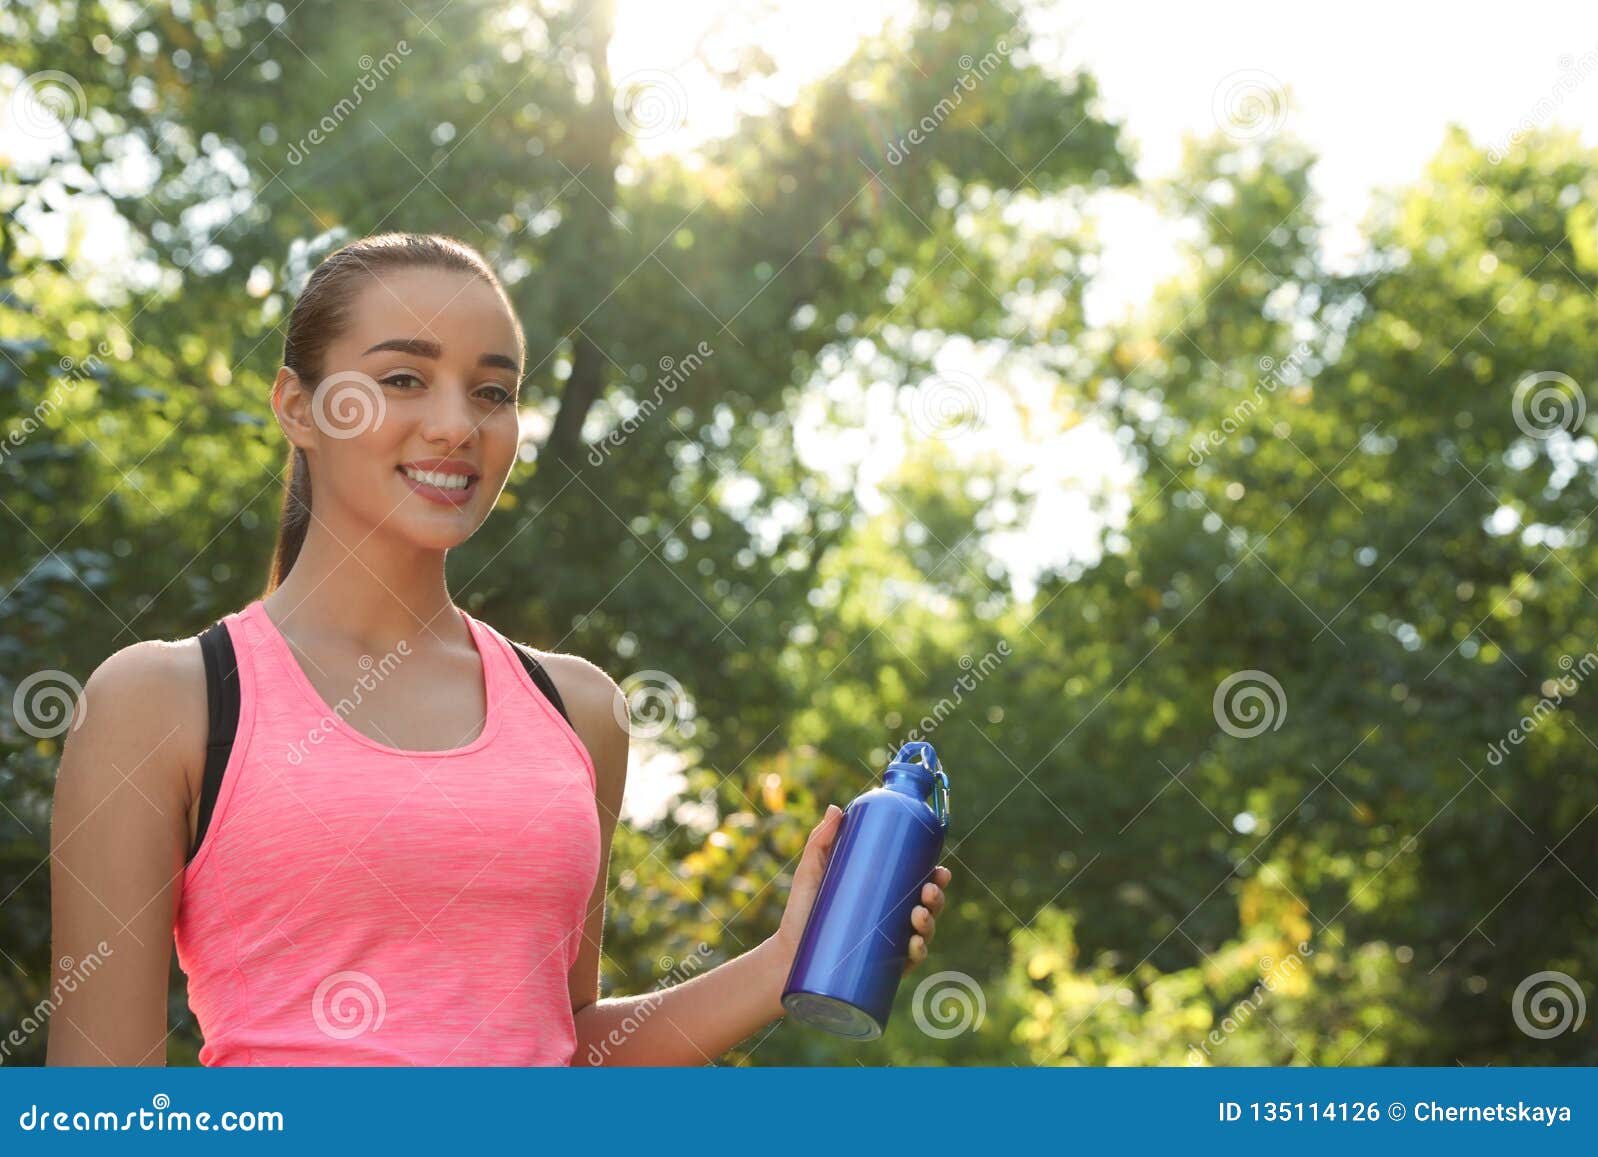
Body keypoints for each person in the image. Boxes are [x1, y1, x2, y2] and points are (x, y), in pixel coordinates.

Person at [45, 232, 951, 1066]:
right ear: (299, 406)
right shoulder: (166, 701)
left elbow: (564, 1053)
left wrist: (785, 959)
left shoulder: (579, 711)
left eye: (493, 391)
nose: (457, 425)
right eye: (403, 378)